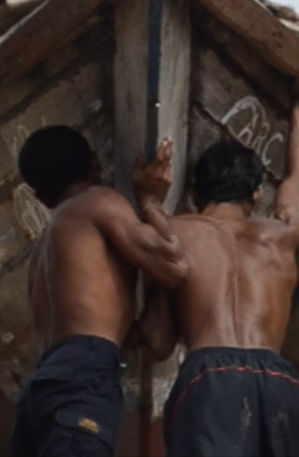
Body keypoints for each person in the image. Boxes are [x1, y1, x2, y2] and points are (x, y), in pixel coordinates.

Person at [138, 51, 299, 456]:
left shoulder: (173, 233)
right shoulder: (282, 234)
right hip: (278, 381)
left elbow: (158, 342)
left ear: (194, 193)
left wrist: (149, 203)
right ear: (256, 195)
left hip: (210, 379)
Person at [11, 125, 189, 457]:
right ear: (95, 163)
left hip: (40, 389)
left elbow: (127, 333)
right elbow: (174, 264)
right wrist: (150, 202)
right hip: (82, 377)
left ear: (41, 198)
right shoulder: (97, 202)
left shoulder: (40, 254)